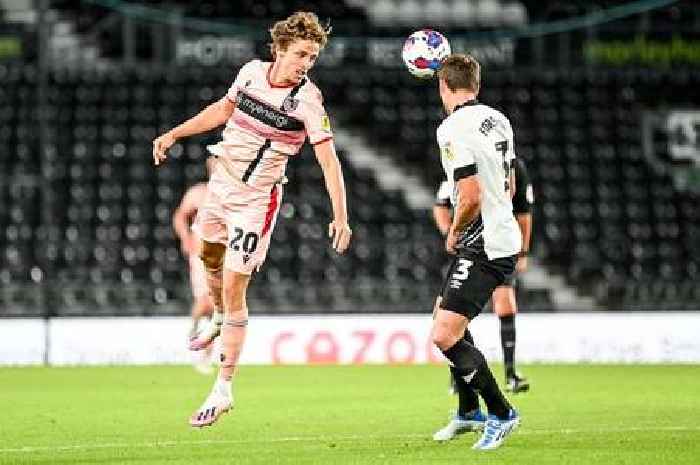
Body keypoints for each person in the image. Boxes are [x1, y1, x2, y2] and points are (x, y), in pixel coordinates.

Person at [152, 12, 352, 428]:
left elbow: (329, 162)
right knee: (207, 256)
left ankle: (222, 388)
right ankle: (218, 319)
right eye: (300, 54)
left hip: (255, 203)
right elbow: (222, 110)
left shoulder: (308, 101)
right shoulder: (249, 74)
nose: (305, 64)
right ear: (279, 49)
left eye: (312, 57)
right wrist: (174, 133)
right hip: (219, 188)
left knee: (232, 283)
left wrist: (341, 216)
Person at [428, 53, 521, 450]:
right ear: (476, 86)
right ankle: (469, 412)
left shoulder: (451, 128)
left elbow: (469, 195)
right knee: (446, 319)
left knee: (443, 334)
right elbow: (511, 185)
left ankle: (501, 413)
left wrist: (454, 232)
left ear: (443, 87)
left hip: (483, 243)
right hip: (501, 235)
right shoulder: (499, 119)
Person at [433, 156, 534, 395]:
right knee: (449, 315)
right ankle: (462, 375)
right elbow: (440, 206)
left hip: (498, 247)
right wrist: (452, 232)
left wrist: (523, 252)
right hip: (471, 249)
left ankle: (510, 373)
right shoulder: (465, 165)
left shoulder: (514, 167)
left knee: (505, 304)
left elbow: (523, 213)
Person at [172, 158, 216, 374]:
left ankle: (206, 355)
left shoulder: (232, 193)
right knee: (204, 301)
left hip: (223, 256)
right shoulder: (199, 193)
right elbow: (180, 215)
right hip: (200, 255)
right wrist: (185, 237)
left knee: (218, 309)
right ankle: (191, 334)